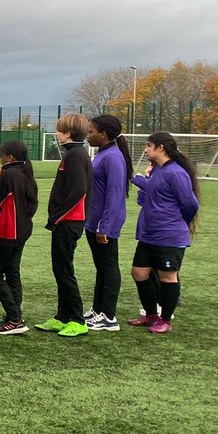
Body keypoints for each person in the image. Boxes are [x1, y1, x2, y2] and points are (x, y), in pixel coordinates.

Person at [127, 133, 200, 334]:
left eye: (148, 145)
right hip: (149, 235)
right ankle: (151, 315)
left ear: (160, 148)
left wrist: (177, 223)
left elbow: (191, 204)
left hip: (169, 236)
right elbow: (148, 197)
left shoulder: (176, 173)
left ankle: (165, 320)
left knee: (168, 277)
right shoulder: (158, 171)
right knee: (139, 273)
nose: (145, 149)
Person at [35, 112, 94, 338]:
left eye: (59, 131)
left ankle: (78, 320)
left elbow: (78, 190)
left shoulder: (76, 156)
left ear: (68, 134)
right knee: (60, 269)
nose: (56, 134)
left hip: (69, 222)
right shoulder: (73, 154)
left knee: (65, 270)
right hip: (66, 221)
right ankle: (63, 316)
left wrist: (57, 217)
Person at [83, 114, 134, 332]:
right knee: (101, 268)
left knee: (109, 266)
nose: (88, 136)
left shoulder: (113, 157)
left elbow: (115, 195)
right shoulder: (104, 154)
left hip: (104, 224)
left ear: (103, 134)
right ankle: (98, 309)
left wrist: (105, 226)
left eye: (91, 132)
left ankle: (109, 316)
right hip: (94, 221)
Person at [0, 140, 38, 335]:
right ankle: (15, 315)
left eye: (2, 155)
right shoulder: (25, 173)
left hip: (7, 231)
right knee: (12, 271)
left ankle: (14, 317)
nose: (0, 158)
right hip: (22, 230)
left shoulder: (9, 175)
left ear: (10, 157)